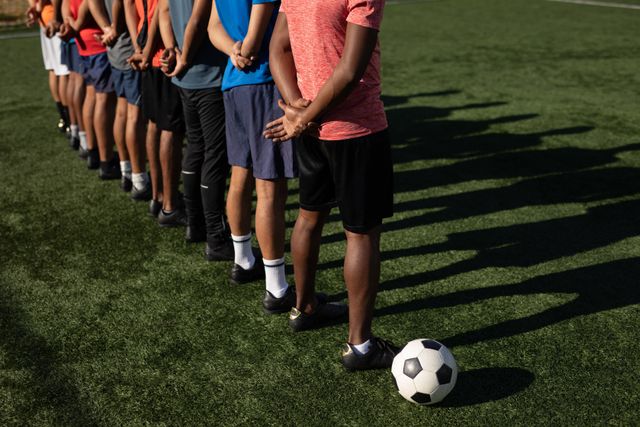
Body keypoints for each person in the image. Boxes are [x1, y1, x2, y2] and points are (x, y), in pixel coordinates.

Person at [264, 0, 398, 370]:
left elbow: (277, 47)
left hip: (311, 128)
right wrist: (302, 116)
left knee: (309, 216)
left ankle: (303, 306)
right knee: (362, 233)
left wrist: (297, 111)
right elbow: (349, 71)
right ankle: (360, 346)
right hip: (356, 129)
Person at [208, 0, 301, 308]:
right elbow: (258, 29)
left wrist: (232, 51)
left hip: (232, 83)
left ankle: (243, 260)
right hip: (261, 81)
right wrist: (244, 50)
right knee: (269, 187)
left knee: (240, 174)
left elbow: (213, 26)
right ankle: (276, 288)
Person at [156, 0, 233, 257]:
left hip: (187, 77)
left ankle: (196, 224)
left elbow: (164, 11)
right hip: (207, 74)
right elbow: (198, 20)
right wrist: (184, 57)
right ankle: (216, 236)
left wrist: (172, 50)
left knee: (197, 147)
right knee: (213, 155)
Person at [125, 0, 185, 218]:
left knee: (155, 124)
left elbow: (129, 6)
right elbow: (162, 9)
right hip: (164, 55)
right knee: (170, 129)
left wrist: (139, 47)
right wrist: (147, 50)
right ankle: (169, 205)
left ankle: (158, 196)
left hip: (151, 54)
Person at [87, 0, 150, 196]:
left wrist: (108, 28)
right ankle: (139, 179)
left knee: (122, 112)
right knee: (134, 117)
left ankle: (127, 172)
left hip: (115, 49)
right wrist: (113, 27)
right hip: (129, 49)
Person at [60, 0, 120, 178]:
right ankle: (106, 160)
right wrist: (76, 24)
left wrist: (69, 20)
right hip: (96, 41)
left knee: (91, 96)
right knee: (103, 100)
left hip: (83, 42)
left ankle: (93, 151)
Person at [27, 0, 70, 134]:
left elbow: (35, 4)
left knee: (54, 69)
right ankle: (69, 120)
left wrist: (34, 8)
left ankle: (64, 118)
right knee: (64, 71)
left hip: (45, 20)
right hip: (54, 20)